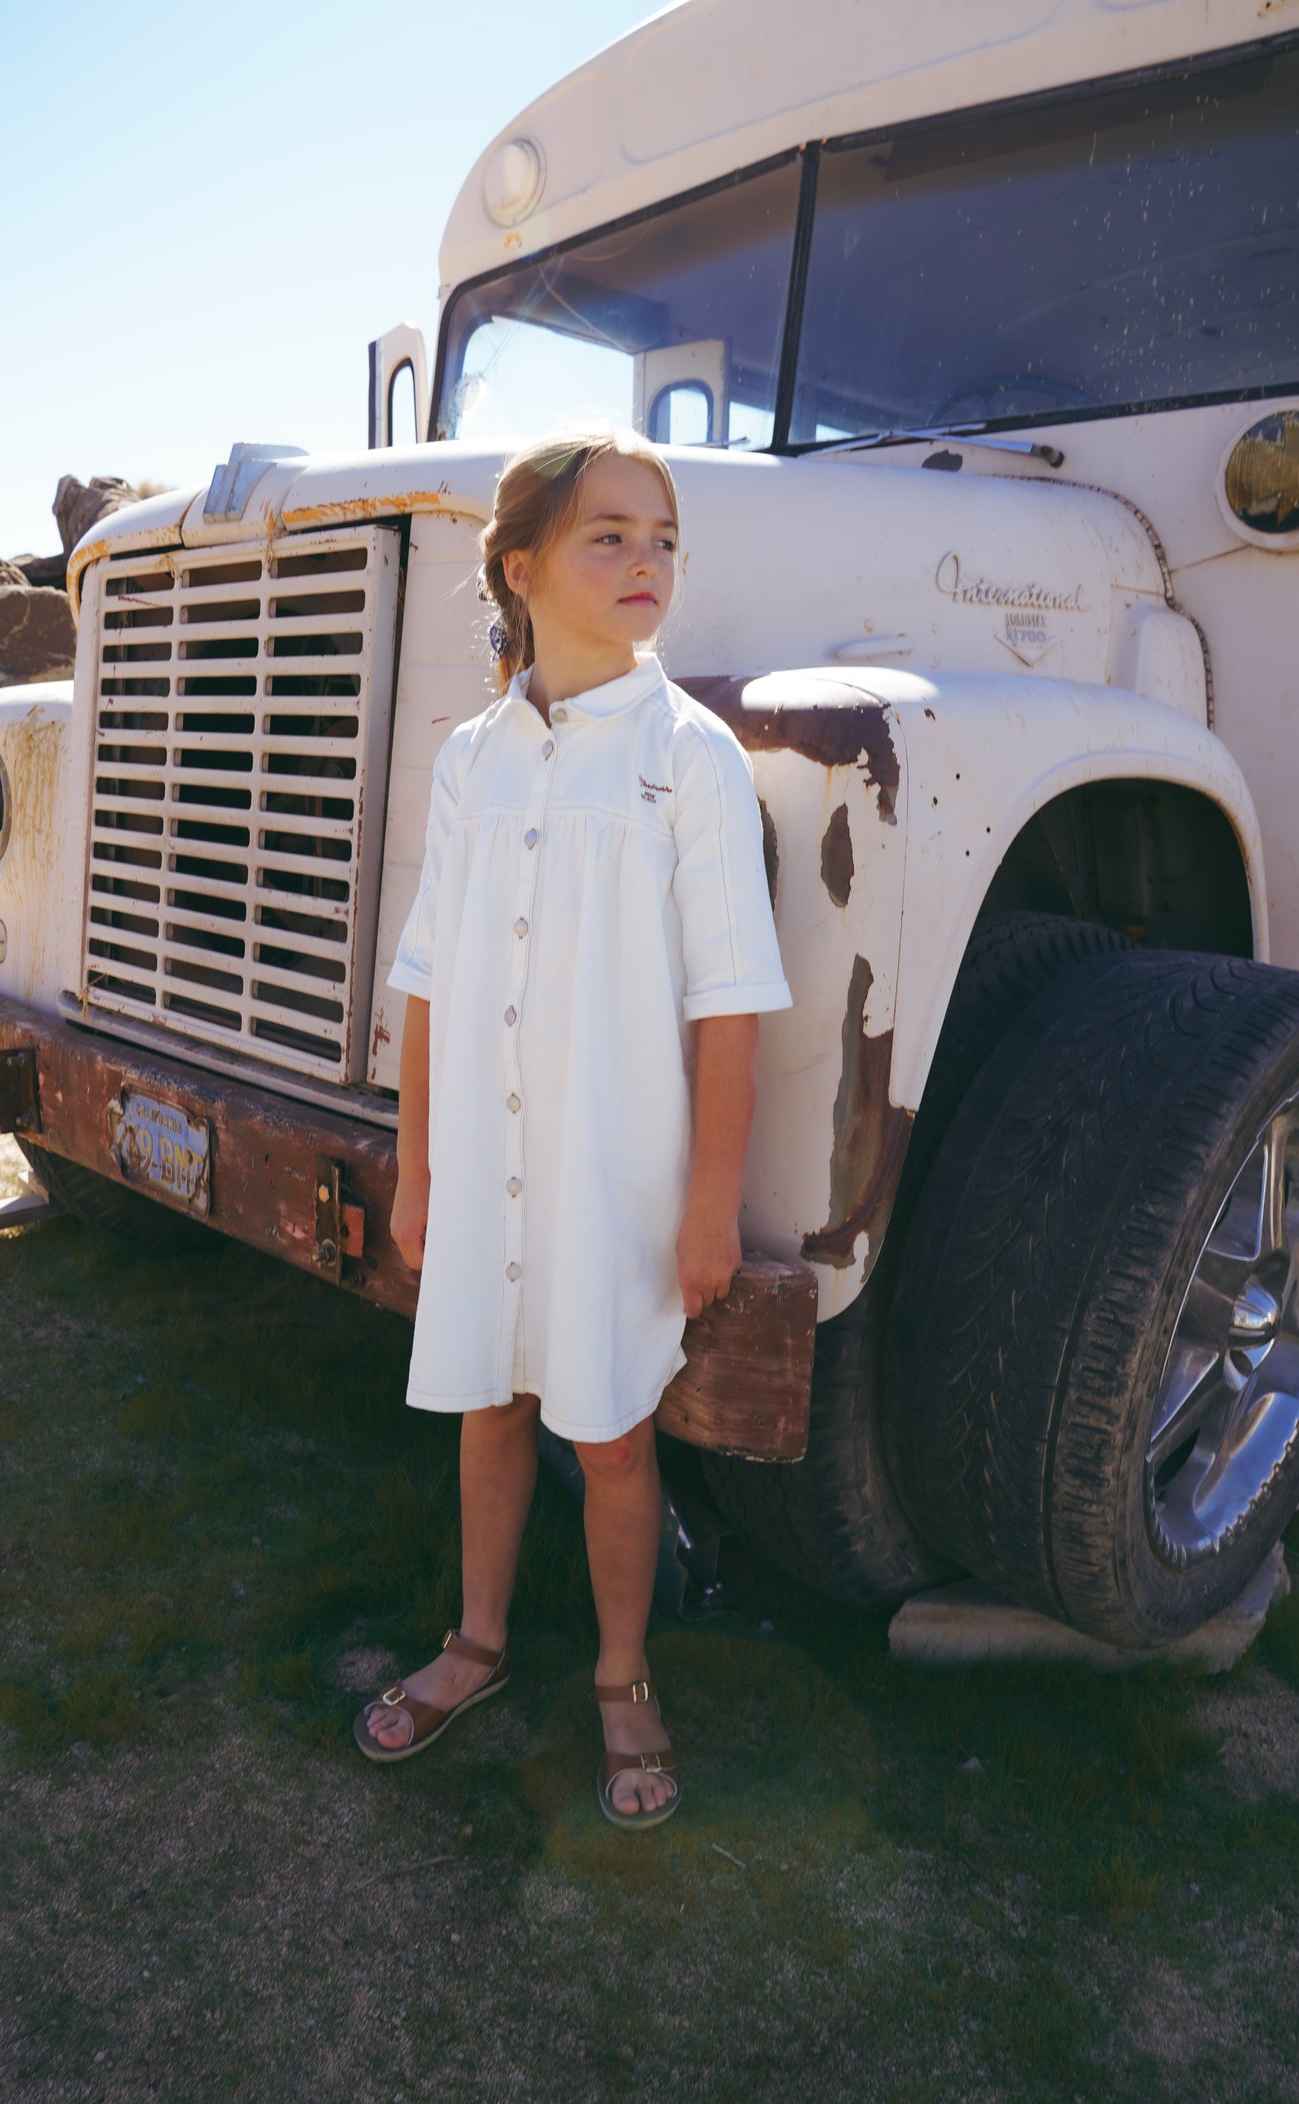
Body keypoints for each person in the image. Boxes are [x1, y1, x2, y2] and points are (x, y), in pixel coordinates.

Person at [353, 429, 792, 1829]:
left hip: (615, 1172)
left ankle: (620, 1675)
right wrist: (418, 1171)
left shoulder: (691, 760)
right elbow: (424, 975)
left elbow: (731, 1004)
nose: (645, 559)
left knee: (610, 1436)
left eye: (661, 536)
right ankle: (475, 1645)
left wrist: (708, 1204)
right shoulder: (474, 757)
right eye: (609, 534)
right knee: (486, 1406)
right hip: (483, 1166)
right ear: (523, 566)